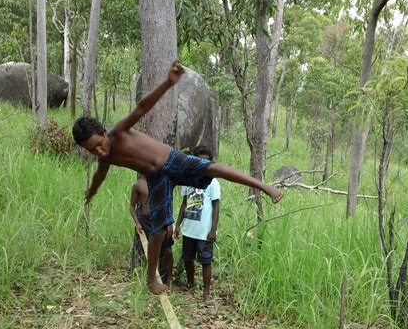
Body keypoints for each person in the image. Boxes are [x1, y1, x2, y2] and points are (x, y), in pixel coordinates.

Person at [72, 62, 282, 294]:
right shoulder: (105, 159)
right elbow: (99, 177)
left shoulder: (119, 131)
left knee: (214, 169)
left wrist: (169, 83)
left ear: (103, 133)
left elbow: (143, 107)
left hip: (172, 160)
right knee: (159, 230)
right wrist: (91, 193)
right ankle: (152, 278)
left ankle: (263, 186)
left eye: (99, 145)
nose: (99, 152)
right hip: (157, 178)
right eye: (92, 150)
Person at [174, 146, 219, 302]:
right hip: (188, 229)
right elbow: (184, 203)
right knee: (187, 258)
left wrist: (213, 230)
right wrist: (178, 224)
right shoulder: (187, 180)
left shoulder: (213, 182)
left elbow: (216, 207)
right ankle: (190, 283)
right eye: (200, 159)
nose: (203, 163)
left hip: (204, 231)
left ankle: (206, 293)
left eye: (206, 160)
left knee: (205, 261)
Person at [129, 174, 173, 286]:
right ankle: (150, 278)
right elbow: (132, 206)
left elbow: (168, 202)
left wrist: (170, 223)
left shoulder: (162, 182)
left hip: (162, 219)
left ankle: (168, 280)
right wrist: (138, 223)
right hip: (146, 221)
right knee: (149, 250)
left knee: (167, 251)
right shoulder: (138, 185)